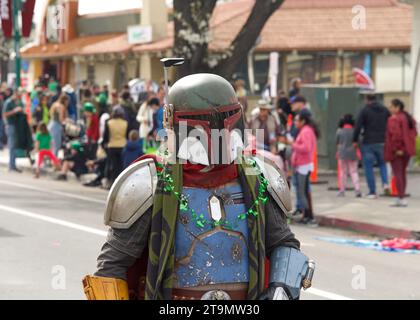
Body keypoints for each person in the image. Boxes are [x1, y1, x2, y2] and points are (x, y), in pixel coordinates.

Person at [83, 73, 314, 301]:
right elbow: (113, 264)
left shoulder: (258, 175)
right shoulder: (152, 180)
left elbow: (283, 243)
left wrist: (281, 289)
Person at [353, 94, 390, 199]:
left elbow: (358, 125)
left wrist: (355, 140)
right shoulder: (385, 110)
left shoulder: (364, 110)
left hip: (368, 142)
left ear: (366, 99)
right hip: (382, 141)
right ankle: (385, 183)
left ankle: (372, 192)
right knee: (382, 164)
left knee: (368, 167)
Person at [384, 99, 418, 207]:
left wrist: (397, 149)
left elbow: (395, 135)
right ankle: (401, 197)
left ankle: (401, 198)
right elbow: (414, 133)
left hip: (398, 151)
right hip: (407, 150)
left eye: (391, 106)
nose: (390, 108)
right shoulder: (409, 118)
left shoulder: (394, 119)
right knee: (402, 173)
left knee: (398, 173)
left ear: (397, 107)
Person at [291, 111, 319, 226]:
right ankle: (306, 215)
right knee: (303, 191)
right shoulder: (305, 130)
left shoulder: (306, 131)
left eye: (297, 120)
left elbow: (306, 148)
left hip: (303, 165)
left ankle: (309, 216)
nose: (295, 122)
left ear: (303, 121)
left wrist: (293, 144)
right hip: (302, 165)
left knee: (303, 192)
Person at [336, 114, 361, 197]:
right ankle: (357, 190)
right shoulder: (355, 131)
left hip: (342, 153)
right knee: (353, 171)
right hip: (353, 153)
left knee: (343, 172)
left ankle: (342, 190)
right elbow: (359, 141)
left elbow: (337, 142)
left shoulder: (339, 131)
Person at [102, 106, 128, 186]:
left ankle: (112, 182)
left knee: (112, 165)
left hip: (112, 146)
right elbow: (126, 135)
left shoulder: (109, 123)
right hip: (122, 146)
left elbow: (106, 136)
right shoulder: (125, 123)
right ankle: (120, 183)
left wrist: (104, 144)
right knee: (120, 165)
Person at [3, 89, 25, 172]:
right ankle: (11, 166)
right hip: (10, 125)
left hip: (16, 125)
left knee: (14, 146)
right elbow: (5, 114)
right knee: (12, 145)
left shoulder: (17, 102)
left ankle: (13, 164)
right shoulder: (9, 102)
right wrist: (15, 111)